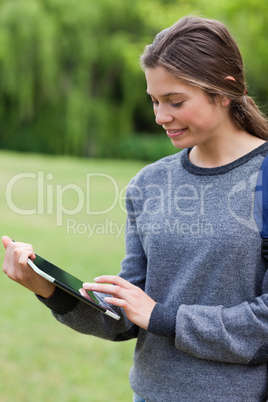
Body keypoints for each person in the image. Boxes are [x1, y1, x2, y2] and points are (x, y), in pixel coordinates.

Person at [2, 15, 268, 401]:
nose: (161, 117)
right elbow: (129, 315)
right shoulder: (150, 183)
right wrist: (48, 288)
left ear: (225, 91)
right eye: (155, 101)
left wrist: (162, 317)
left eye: (175, 101)